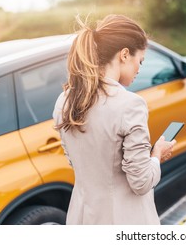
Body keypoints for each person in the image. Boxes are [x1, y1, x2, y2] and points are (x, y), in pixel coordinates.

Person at [53, 14, 175, 224]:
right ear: (125, 54)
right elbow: (142, 182)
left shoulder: (64, 100)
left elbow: (78, 161)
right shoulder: (130, 104)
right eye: (140, 61)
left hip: (81, 218)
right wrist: (156, 155)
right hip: (124, 219)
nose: (139, 69)